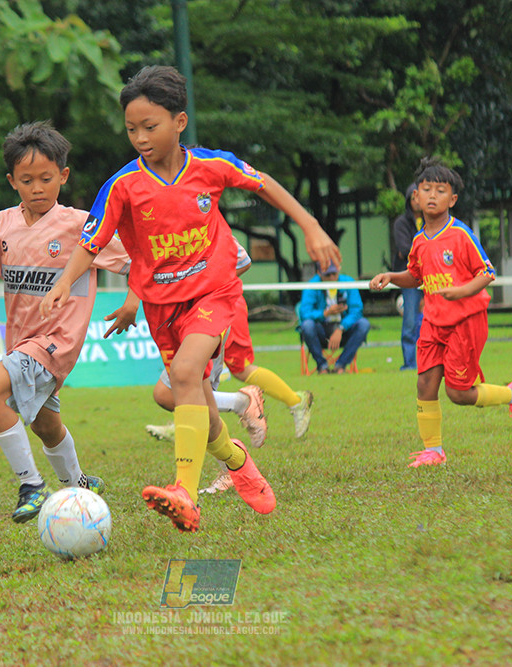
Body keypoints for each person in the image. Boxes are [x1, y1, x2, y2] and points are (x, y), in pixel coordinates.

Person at [40, 65, 341, 533]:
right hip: (163, 308)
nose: (140, 138)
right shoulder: (122, 185)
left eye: (150, 126)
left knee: (183, 374)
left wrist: (312, 226)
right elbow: (91, 242)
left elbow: (265, 184)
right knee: (198, 401)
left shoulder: (211, 166)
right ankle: (239, 464)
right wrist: (64, 281)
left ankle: (184, 491)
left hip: (214, 292)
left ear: (179, 122)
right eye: (131, 129)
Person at [0, 121, 137, 522]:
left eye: (46, 179)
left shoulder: (81, 224)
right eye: (27, 180)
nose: (37, 188)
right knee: (45, 426)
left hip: (57, 341)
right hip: (22, 341)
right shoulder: (1, 225)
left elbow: (138, 262)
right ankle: (78, 484)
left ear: (63, 176)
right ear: (12, 181)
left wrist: (131, 303)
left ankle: (32, 486)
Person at [369, 157, 512, 468]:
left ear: (452, 199)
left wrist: (461, 291)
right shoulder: (419, 240)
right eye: (426, 189)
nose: (432, 196)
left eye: (440, 190)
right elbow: (415, 276)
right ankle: (434, 451)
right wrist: (391, 277)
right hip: (432, 322)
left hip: (465, 322)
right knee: (424, 383)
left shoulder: (461, 235)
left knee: (458, 393)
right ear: (415, 196)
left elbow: (487, 272)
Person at [145, 238, 314, 496]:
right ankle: (235, 415)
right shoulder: (151, 226)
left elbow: (241, 259)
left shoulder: (200, 222)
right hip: (184, 316)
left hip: (211, 313)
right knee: (170, 394)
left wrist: (198, 290)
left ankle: (279, 405)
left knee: (235, 370)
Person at [297, 261, 370, 374]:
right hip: (321, 331)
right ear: (319, 273)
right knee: (307, 325)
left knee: (363, 324)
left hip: (344, 331)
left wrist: (341, 328)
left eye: (334, 274)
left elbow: (356, 311)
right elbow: (305, 313)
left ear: (339, 269)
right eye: (327, 275)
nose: (331, 278)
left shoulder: (348, 282)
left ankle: (341, 365)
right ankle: (322, 366)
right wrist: (325, 313)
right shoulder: (311, 285)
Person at [392, 184, 424, 370]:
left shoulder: (433, 221)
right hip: (410, 276)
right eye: (413, 198)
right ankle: (410, 363)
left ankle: (434, 362)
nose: (417, 202)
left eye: (420, 197)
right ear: (408, 201)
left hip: (433, 276)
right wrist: (426, 251)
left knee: (435, 319)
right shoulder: (401, 223)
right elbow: (404, 249)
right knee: (410, 320)